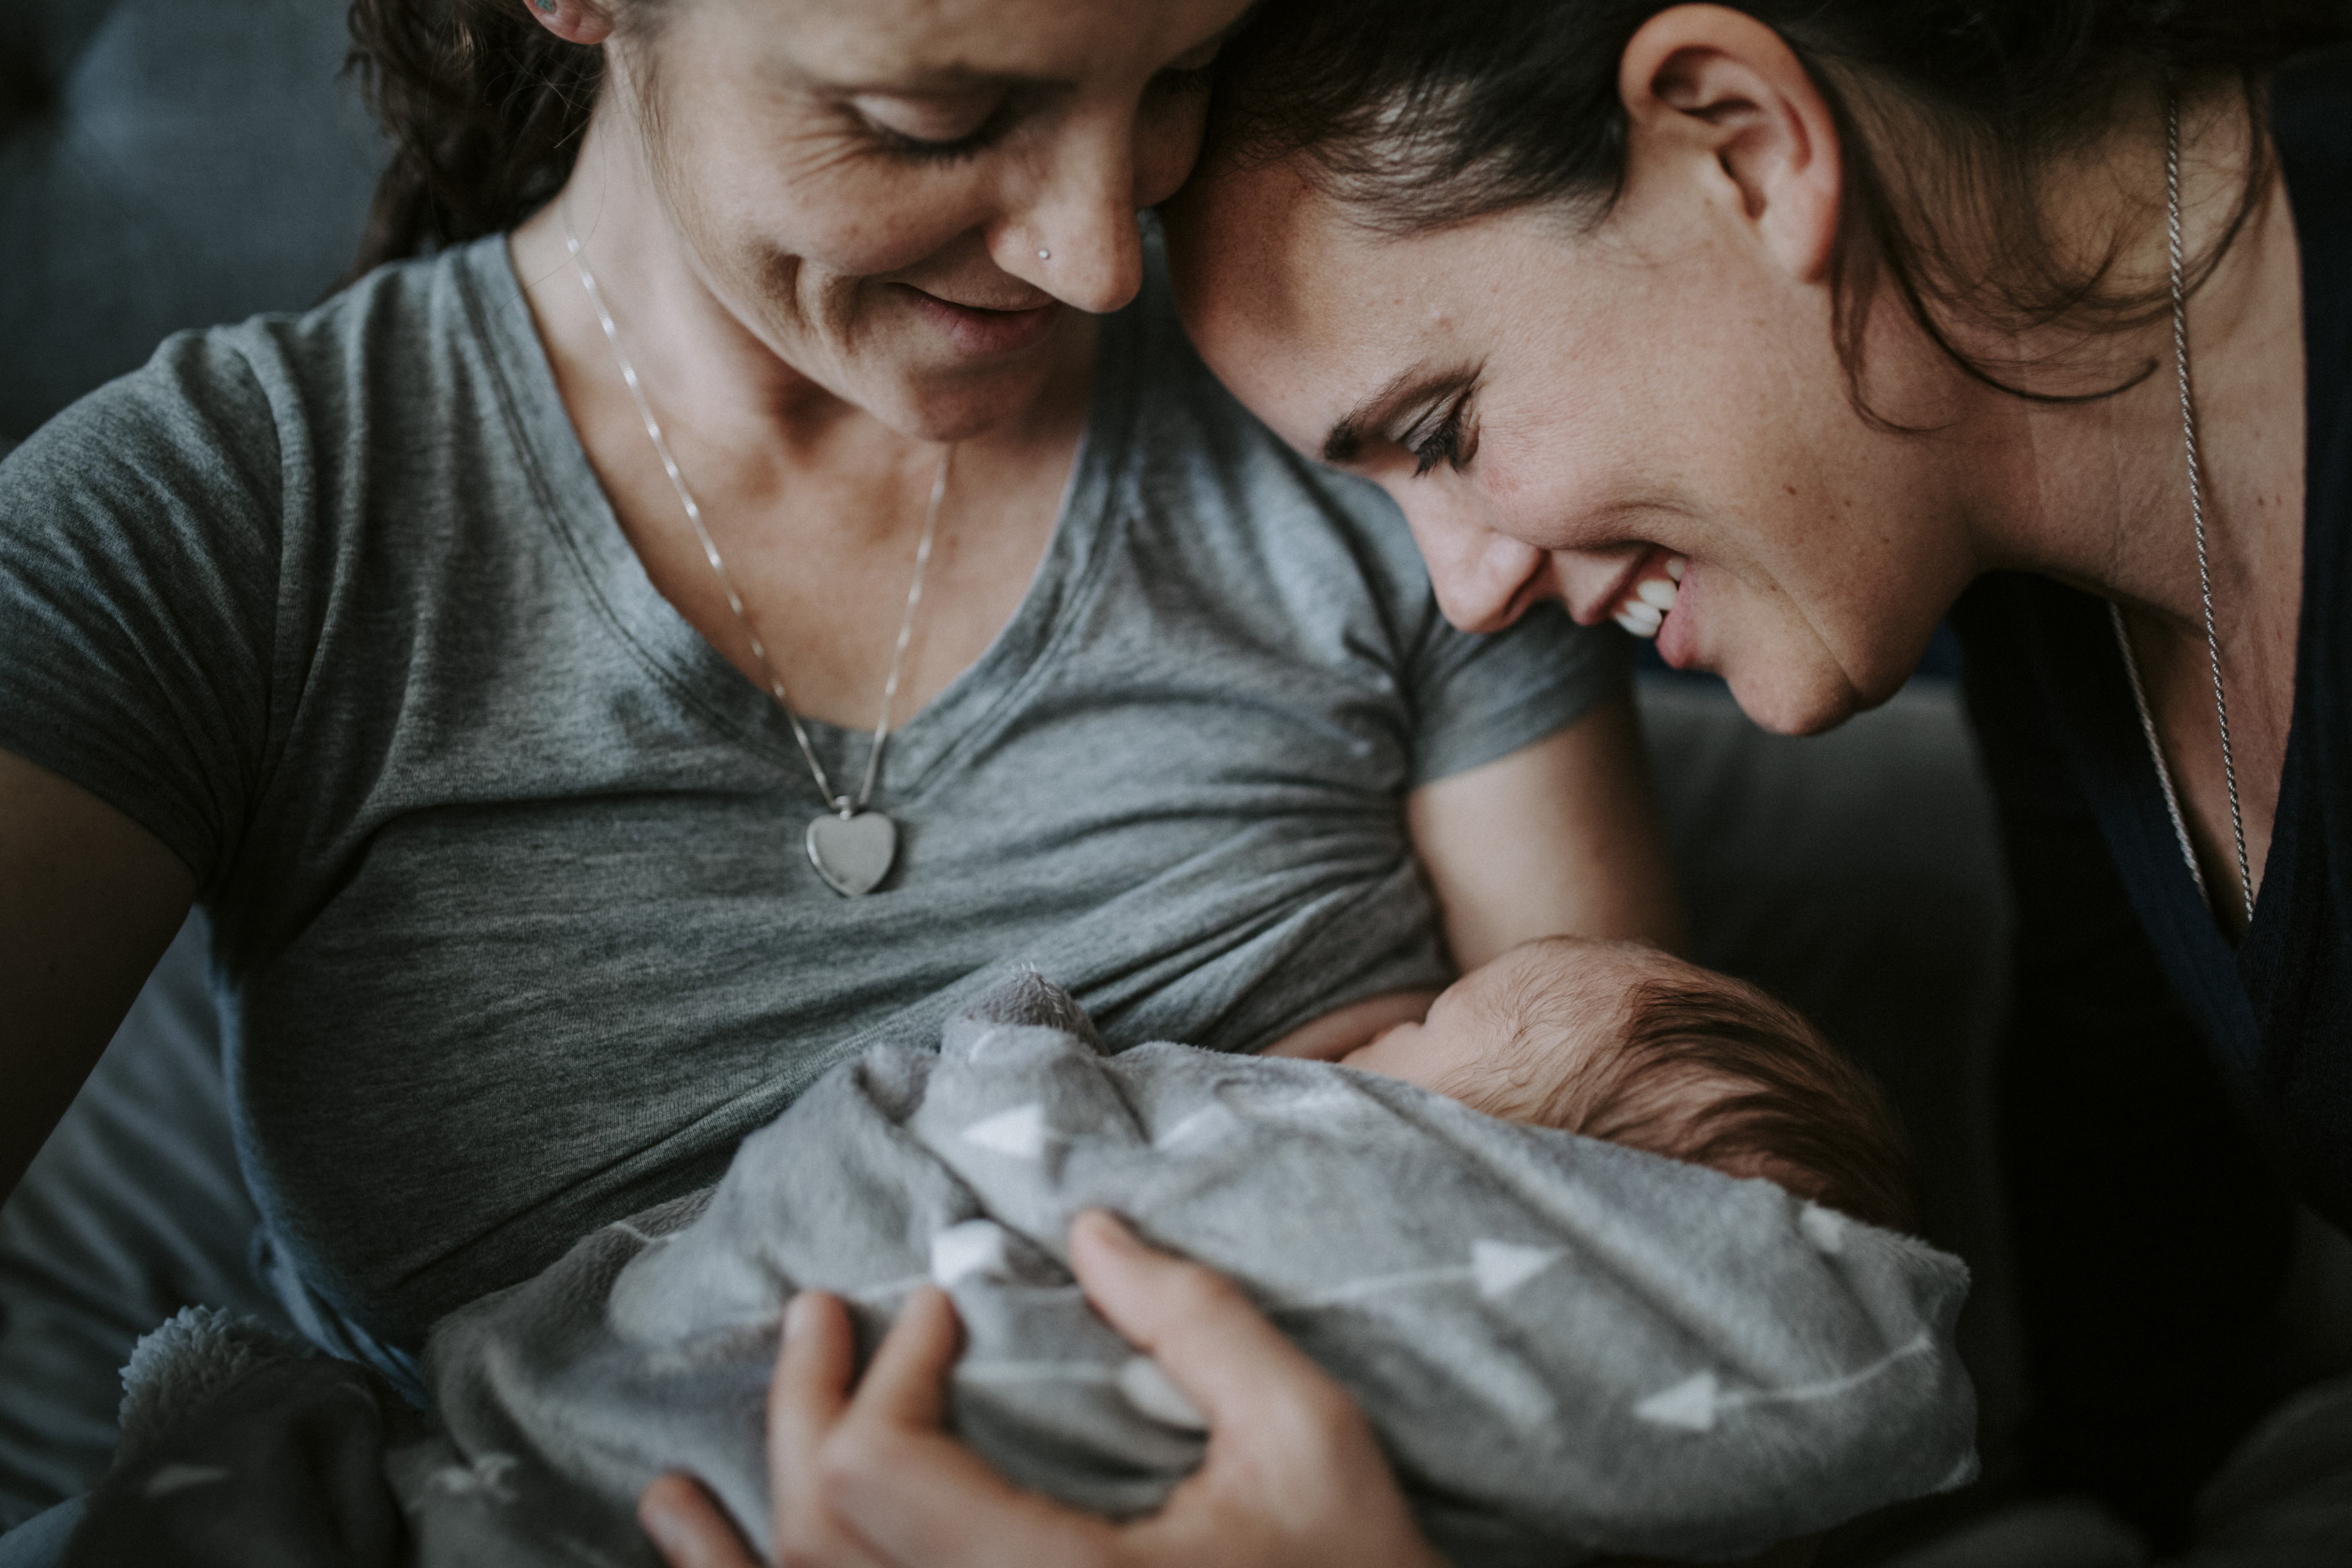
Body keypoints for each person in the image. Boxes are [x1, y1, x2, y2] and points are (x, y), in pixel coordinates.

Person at [0, 0, 1689, 1560]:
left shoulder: (1361, 421)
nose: (1101, 255)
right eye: (935, 116)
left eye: (1179, 76)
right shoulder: (225, 527)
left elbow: (1680, 1266)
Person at [1152, 0, 2352, 1551]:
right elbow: (2140, 1214)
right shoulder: (2044, 587)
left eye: (1443, 431)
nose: (1464, 594)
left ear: (1744, 141)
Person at [70, 944, 1960, 1566]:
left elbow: (937, 1132)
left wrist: (1022, 1033)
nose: (1359, 1042)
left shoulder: (1373, 1194)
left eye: (1418, 1036)